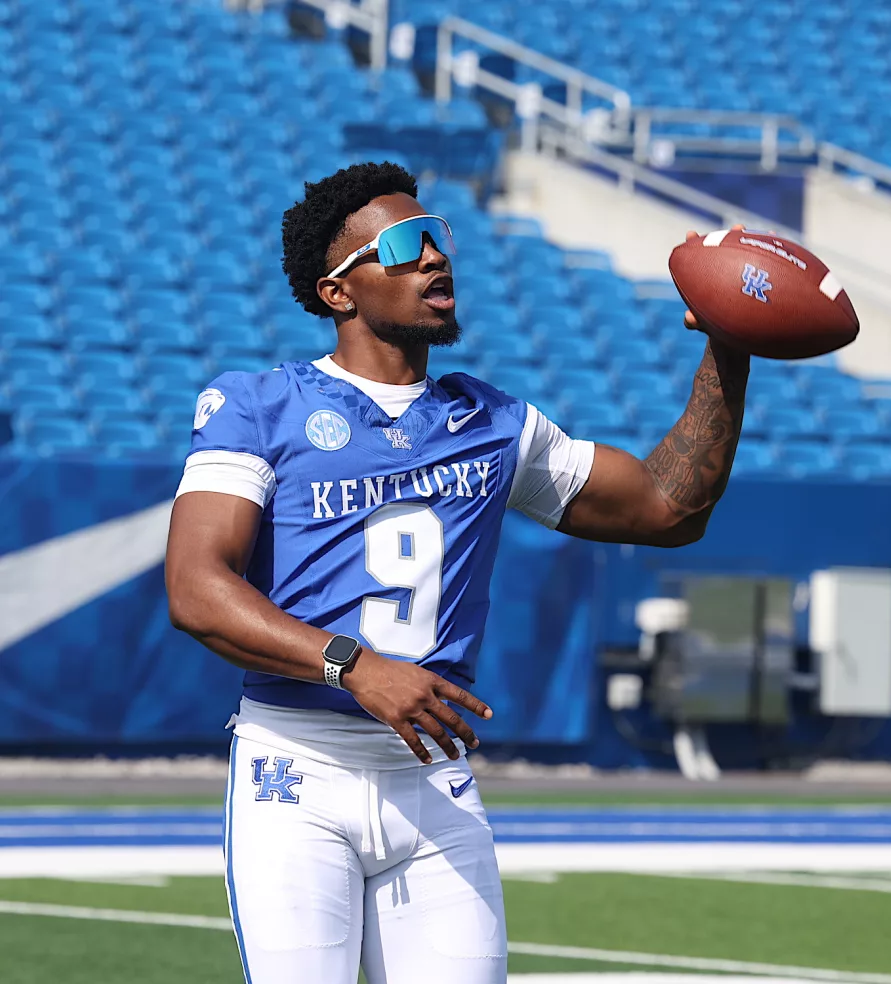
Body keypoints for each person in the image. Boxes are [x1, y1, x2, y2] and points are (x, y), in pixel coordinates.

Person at [165, 161, 748, 984]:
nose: (434, 257)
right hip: (297, 773)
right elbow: (196, 589)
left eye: (437, 236)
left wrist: (731, 347)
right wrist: (354, 666)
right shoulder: (258, 406)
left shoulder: (493, 420)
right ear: (339, 293)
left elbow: (666, 510)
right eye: (403, 246)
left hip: (432, 776)